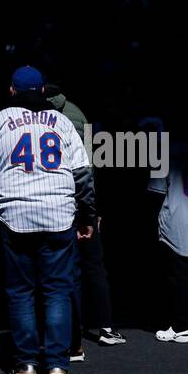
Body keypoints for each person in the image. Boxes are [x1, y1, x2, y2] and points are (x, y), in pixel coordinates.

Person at [0, 66, 97, 374]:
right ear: (43, 92)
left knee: (20, 292)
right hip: (57, 213)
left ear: (12, 91)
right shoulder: (63, 122)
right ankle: (57, 365)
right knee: (57, 291)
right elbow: (83, 175)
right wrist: (87, 216)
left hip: (15, 215)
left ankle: (26, 363)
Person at [44, 80, 125, 355]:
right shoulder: (76, 113)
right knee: (92, 265)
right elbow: (88, 168)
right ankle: (104, 328)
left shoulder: (39, 115)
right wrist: (92, 210)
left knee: (66, 270)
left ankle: (72, 339)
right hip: (79, 200)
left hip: (56, 201)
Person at [145, 118, 188, 343]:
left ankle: (181, 326)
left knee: (178, 276)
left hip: (175, 219)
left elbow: (155, 191)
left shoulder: (163, 154)